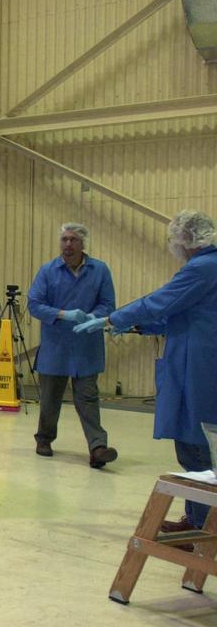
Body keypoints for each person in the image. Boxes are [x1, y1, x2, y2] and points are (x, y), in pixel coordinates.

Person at [76, 210, 217, 530]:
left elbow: (160, 302)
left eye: (174, 239)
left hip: (197, 366)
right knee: (200, 448)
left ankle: (202, 529)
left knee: (196, 449)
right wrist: (134, 325)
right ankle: (197, 519)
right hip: (200, 359)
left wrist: (114, 319)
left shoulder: (201, 268)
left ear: (186, 240)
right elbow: (176, 313)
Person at [27, 222, 118, 468]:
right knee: (50, 399)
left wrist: (94, 317)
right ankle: (44, 439)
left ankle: (98, 448)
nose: (68, 244)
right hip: (55, 346)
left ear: (82, 243)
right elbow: (34, 303)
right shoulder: (48, 271)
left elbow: (108, 304)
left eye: (73, 240)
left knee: (88, 399)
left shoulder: (99, 270)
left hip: (86, 346)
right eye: (64, 239)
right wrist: (62, 314)